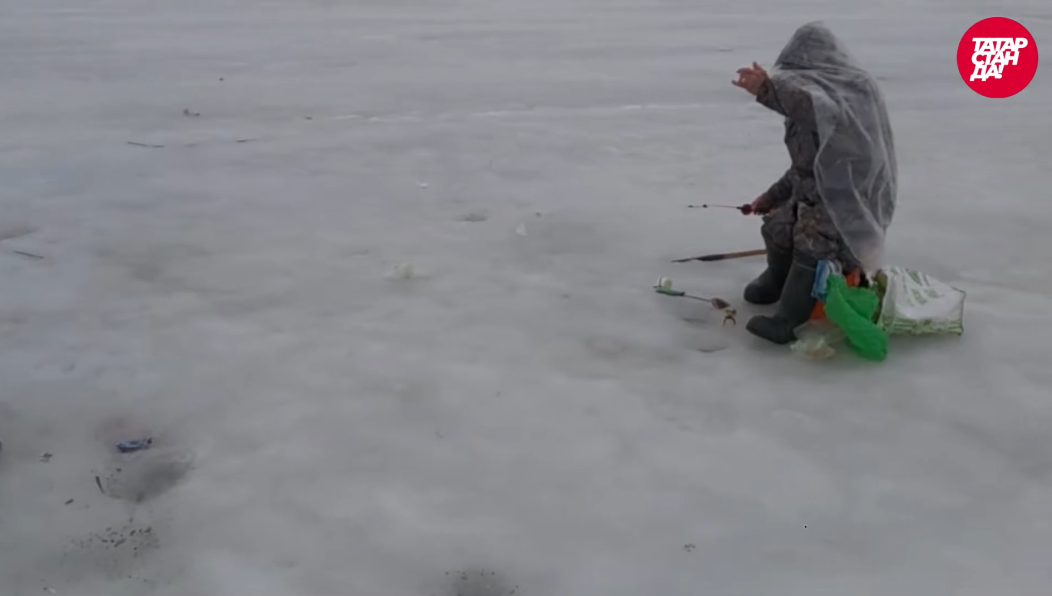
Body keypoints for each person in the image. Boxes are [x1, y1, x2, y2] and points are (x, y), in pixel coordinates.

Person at [731, 22, 897, 345]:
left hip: (850, 208)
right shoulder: (811, 106)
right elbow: (803, 170)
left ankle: (789, 320)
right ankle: (778, 281)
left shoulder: (851, 93)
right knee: (777, 225)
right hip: (816, 195)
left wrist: (767, 90)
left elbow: (814, 107)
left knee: (812, 237)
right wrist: (770, 197)